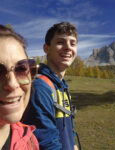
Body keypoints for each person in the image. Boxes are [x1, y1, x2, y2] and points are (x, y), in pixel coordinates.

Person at [23, 22, 80, 150]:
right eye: (60, 42)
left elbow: (68, 129)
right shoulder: (40, 88)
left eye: (73, 43)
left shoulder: (62, 86)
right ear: (46, 48)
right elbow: (46, 144)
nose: (68, 48)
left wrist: (74, 144)